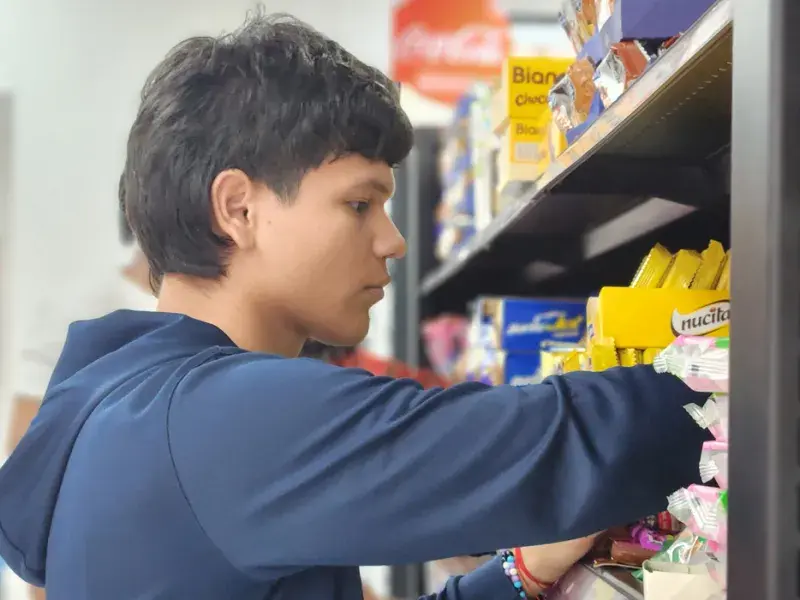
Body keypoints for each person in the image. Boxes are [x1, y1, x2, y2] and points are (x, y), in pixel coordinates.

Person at [0, 13, 709, 600]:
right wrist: (728, 375)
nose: (393, 241)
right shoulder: (221, 419)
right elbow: (557, 444)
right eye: (360, 203)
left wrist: (520, 574)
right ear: (238, 209)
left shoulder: (123, 403)